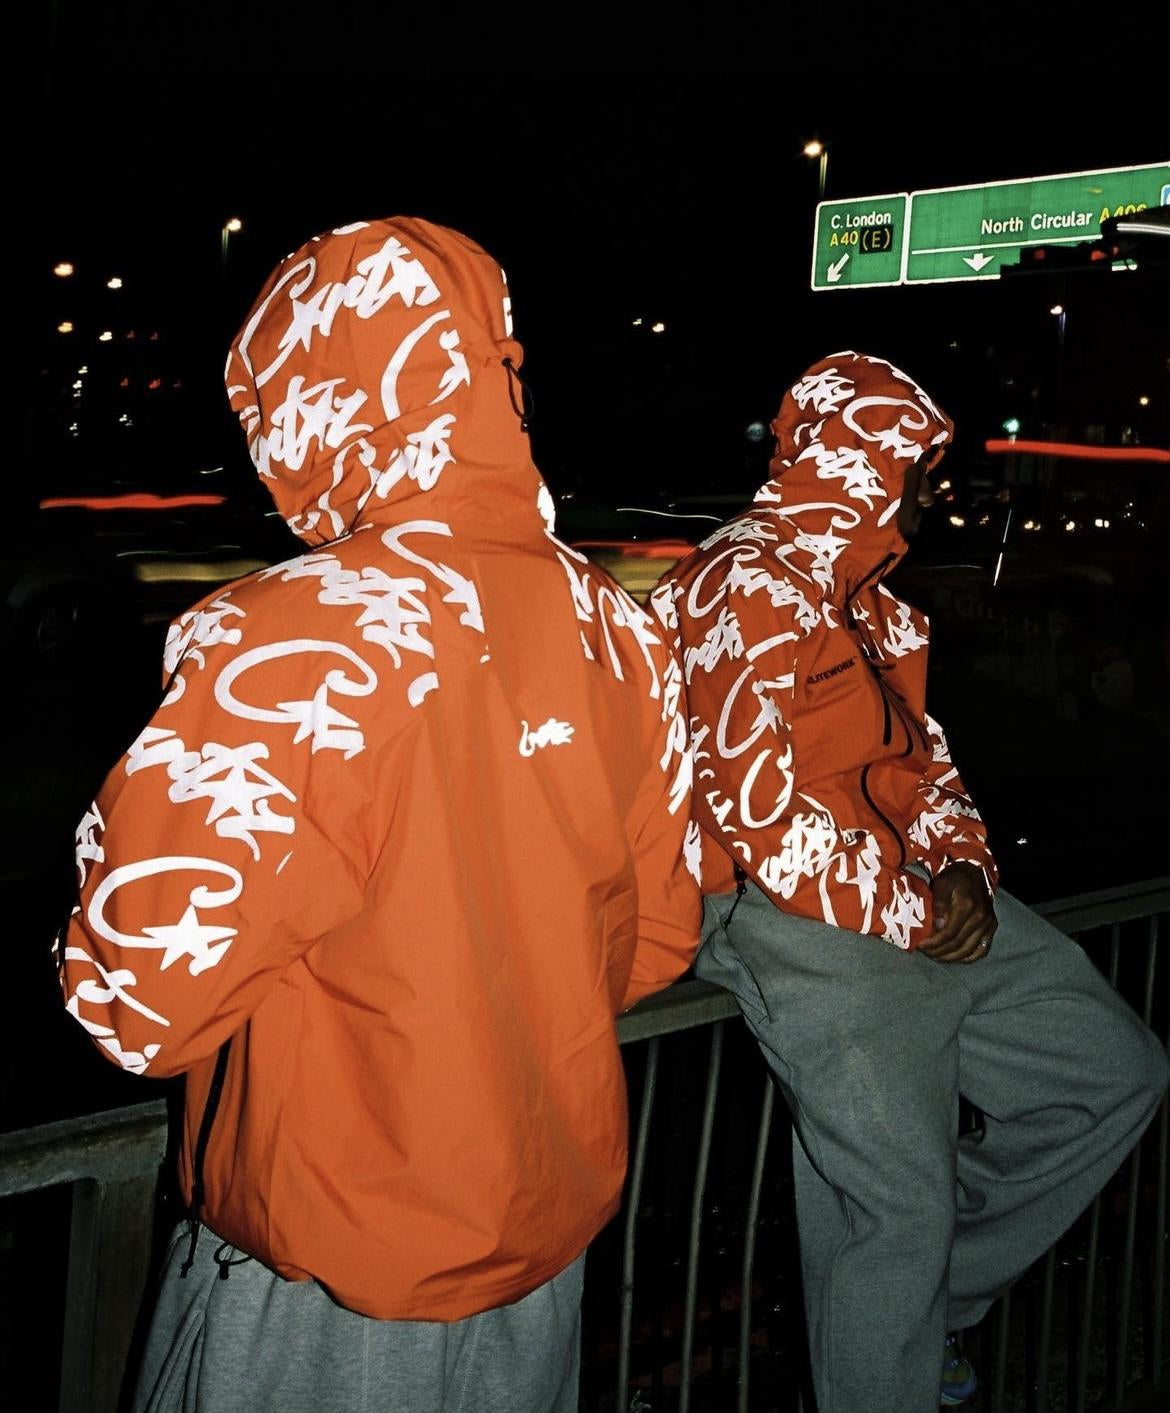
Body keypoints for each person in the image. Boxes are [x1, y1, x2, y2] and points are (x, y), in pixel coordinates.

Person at [58, 216, 701, 1413]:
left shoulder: (288, 634)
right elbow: (661, 939)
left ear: (305, 401)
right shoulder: (617, 625)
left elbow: (139, 1001)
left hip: (330, 1279)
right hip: (540, 1255)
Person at [652, 350, 1169, 1413]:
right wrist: (912, 906)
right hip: (778, 906)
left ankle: (933, 1298)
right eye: (916, 469)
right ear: (860, 463)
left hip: (903, 884)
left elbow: (926, 763)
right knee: (894, 1209)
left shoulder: (875, 606)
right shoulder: (738, 584)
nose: (933, 493)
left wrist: (966, 866)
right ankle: (901, 1328)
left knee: (1116, 1070)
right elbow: (753, 812)